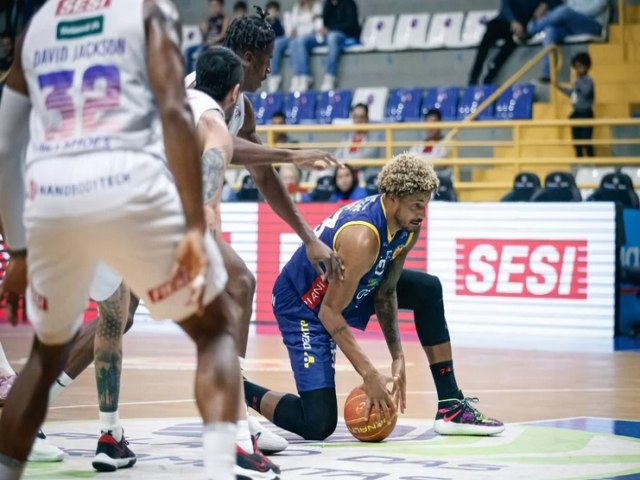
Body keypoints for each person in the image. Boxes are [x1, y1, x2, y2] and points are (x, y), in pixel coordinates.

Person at [0, 3, 242, 480]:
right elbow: (174, 113)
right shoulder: (149, 13)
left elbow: (6, 142)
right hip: (125, 184)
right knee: (216, 328)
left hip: (50, 195)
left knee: (46, 355)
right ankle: (219, 467)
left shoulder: (38, 25)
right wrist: (193, 222)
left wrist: (20, 251)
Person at [243, 153, 505, 440]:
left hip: (351, 285)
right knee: (317, 423)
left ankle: (451, 405)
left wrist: (398, 357)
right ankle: (236, 389)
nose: (422, 213)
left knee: (427, 290)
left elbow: (385, 291)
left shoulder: (407, 227)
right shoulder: (362, 238)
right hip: (304, 303)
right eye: (417, 204)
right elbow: (329, 312)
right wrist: (369, 373)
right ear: (392, 198)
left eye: (425, 204)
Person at [468, 0, 560, 85]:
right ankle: (473, 79)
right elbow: (505, 6)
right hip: (505, 21)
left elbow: (558, 4)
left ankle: (489, 76)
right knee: (489, 34)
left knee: (513, 41)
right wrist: (513, 20)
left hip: (523, 27)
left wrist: (545, 4)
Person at [526, 0, 606, 82]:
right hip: (570, 24)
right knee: (550, 30)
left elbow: (599, 6)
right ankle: (547, 74)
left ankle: (531, 30)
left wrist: (573, 12)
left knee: (563, 11)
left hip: (591, 24)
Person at [289, 0, 361, 92]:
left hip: (344, 34)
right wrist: (321, 27)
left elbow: (351, 24)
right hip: (327, 34)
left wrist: (330, 29)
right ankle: (304, 75)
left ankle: (330, 76)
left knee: (332, 37)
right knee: (301, 40)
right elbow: (324, 22)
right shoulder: (327, 4)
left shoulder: (349, 3)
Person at [267, 0, 322, 93]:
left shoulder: (317, 7)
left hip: (312, 36)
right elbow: (293, 26)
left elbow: (316, 25)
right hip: (296, 37)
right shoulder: (296, 8)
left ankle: (304, 75)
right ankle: (275, 76)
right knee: (277, 42)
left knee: (299, 42)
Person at [554, 52, 595, 157]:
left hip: (586, 113)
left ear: (587, 66)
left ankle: (591, 159)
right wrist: (559, 87)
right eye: (576, 67)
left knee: (586, 140)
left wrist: (578, 82)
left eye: (580, 66)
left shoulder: (588, 81)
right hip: (577, 113)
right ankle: (579, 158)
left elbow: (586, 92)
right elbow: (572, 93)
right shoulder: (578, 81)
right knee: (576, 139)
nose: (578, 70)